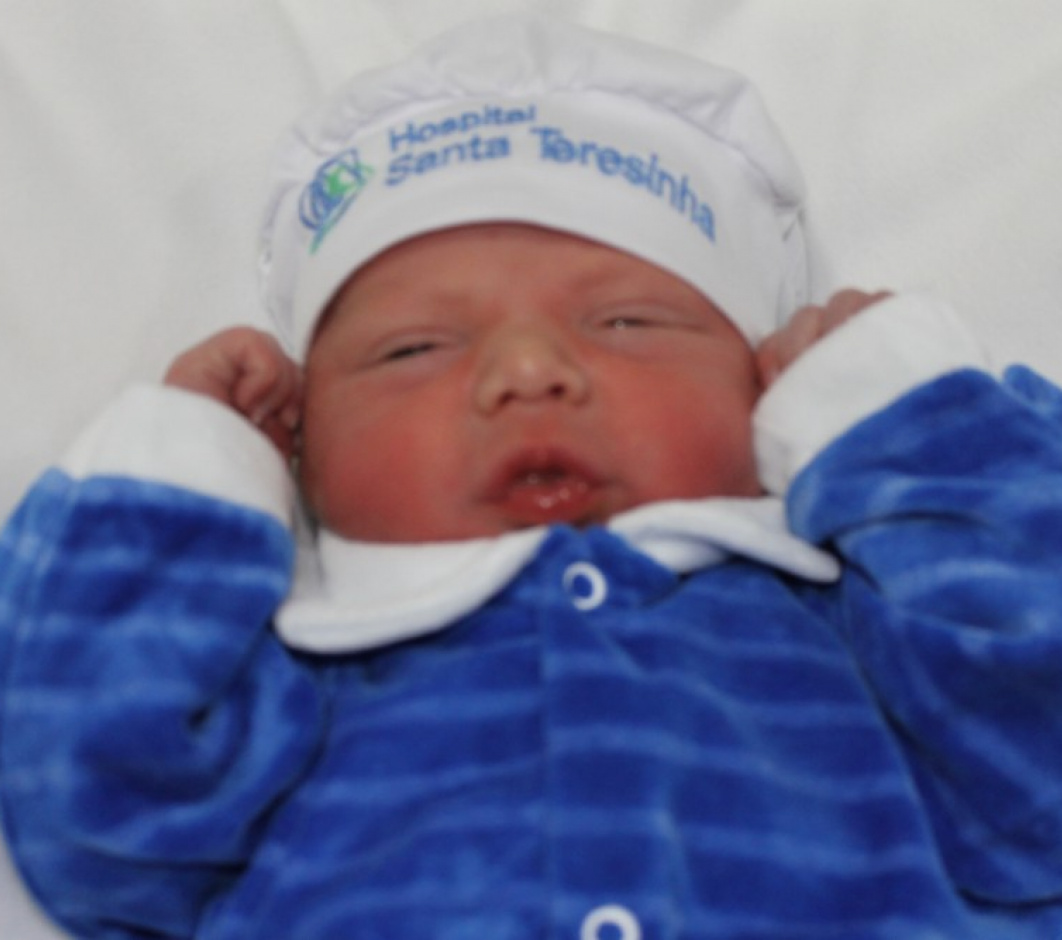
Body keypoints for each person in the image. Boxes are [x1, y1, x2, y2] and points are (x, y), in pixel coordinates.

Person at [3, 14, 1062, 940]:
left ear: (768, 381)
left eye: (628, 323)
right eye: (413, 349)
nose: (526, 371)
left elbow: (1039, 768)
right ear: (302, 445)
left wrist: (905, 422)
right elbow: (96, 812)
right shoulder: (293, 671)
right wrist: (194, 472)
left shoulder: (861, 627)